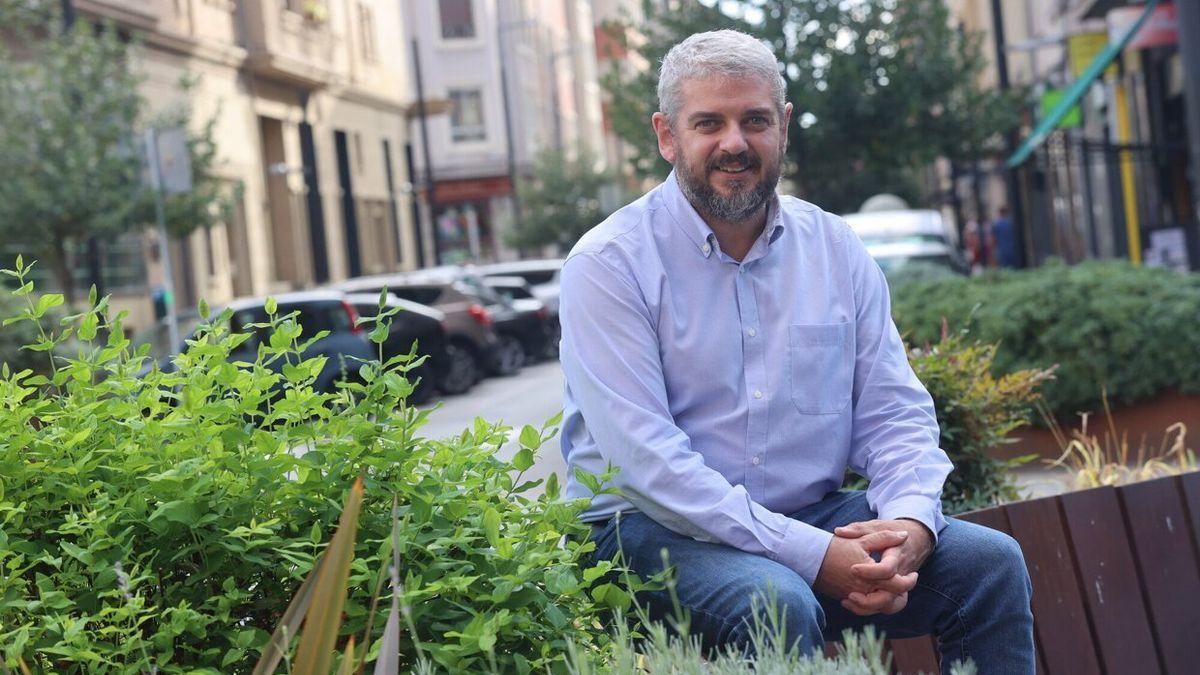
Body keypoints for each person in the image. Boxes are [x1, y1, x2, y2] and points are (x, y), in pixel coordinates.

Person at [557, 30, 1034, 673]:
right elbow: (649, 465)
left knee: (988, 566)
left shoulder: (835, 248)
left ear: (782, 127)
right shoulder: (609, 265)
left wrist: (910, 526)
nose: (734, 143)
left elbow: (894, 413)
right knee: (772, 600)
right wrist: (810, 555)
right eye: (709, 123)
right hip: (647, 530)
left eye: (754, 120)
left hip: (809, 514)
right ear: (668, 136)